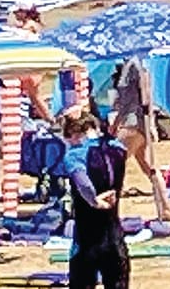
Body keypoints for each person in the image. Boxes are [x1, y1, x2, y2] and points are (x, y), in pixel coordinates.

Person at [61, 108, 129, 289]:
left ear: (75, 133)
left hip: (86, 238)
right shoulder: (118, 149)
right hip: (114, 235)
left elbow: (82, 182)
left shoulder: (75, 155)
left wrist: (94, 201)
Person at [110, 57, 170, 222]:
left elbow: (145, 96)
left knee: (114, 164)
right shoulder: (127, 66)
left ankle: (109, 210)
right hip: (133, 122)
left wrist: (149, 123)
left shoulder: (136, 65)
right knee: (148, 166)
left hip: (134, 123)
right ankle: (165, 208)